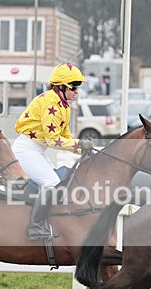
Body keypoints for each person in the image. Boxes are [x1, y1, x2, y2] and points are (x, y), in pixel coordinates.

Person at [13, 62, 94, 240]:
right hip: (26, 149)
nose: (77, 91)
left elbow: (66, 137)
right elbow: (53, 140)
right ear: (61, 86)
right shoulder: (50, 102)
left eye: (78, 87)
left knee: (57, 182)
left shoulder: (64, 105)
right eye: (74, 87)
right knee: (51, 182)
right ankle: (35, 227)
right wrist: (80, 145)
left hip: (37, 150)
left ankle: (45, 222)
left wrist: (84, 151)